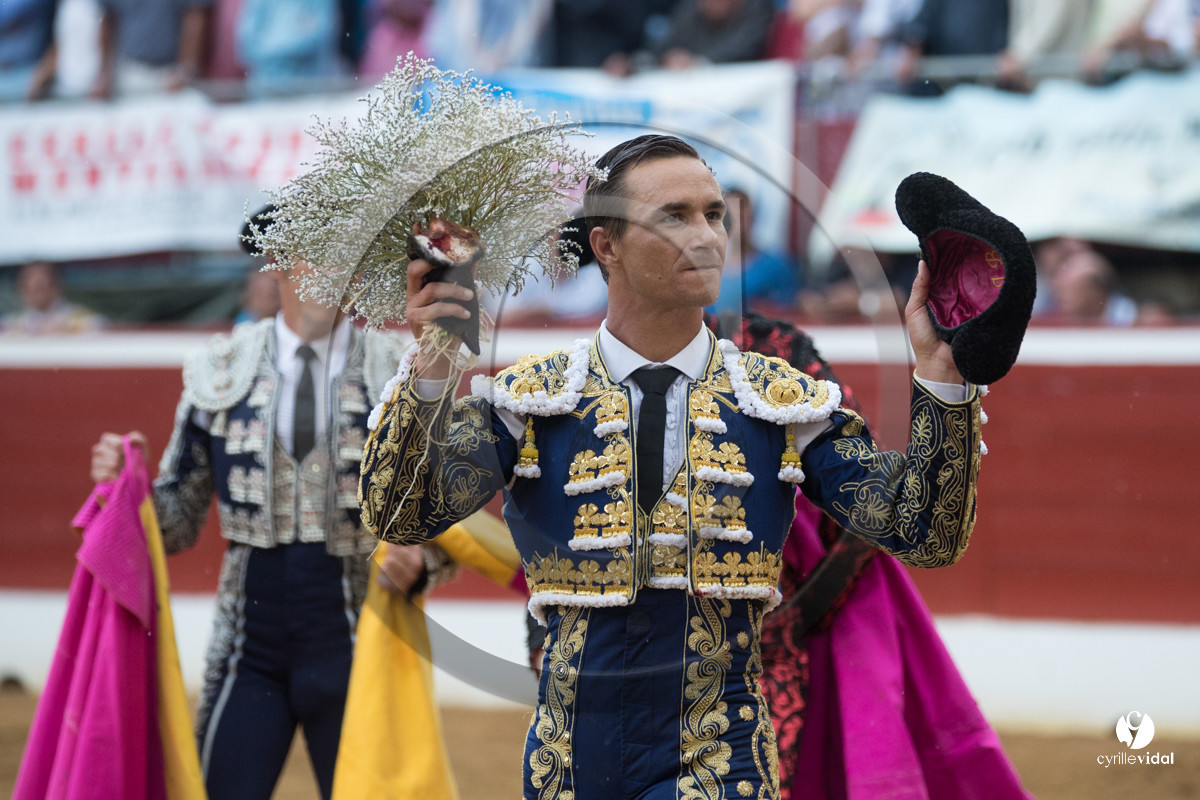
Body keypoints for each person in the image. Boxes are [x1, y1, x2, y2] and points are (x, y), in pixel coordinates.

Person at [360, 134, 984, 798]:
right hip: (568, 767)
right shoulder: (531, 400)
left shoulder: (781, 400)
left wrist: (941, 382)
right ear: (607, 247)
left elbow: (925, 532)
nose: (708, 236)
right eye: (675, 216)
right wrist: (432, 366)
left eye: (715, 214)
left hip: (721, 760)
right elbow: (401, 513)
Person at [87, 207, 449, 800]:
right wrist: (120, 489)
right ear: (277, 262)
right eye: (319, 250)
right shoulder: (220, 369)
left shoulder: (399, 368)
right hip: (248, 646)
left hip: (361, 641)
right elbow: (175, 525)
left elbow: (442, 515)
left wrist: (421, 556)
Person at [707, 188, 801, 316]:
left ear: (752, 217)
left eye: (743, 215)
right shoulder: (707, 269)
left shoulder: (776, 266)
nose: (738, 223)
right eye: (731, 216)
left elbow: (788, 310)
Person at [90, 0, 211, 98]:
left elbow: (194, 15)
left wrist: (185, 69)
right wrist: (104, 73)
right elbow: (107, 18)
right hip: (129, 72)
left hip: (172, 74)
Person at [2, 261, 105, 335]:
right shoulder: (13, 323)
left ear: (57, 285)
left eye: (42, 287)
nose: (38, 295)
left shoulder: (84, 319)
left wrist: (67, 332)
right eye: (31, 288)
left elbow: (101, 329)